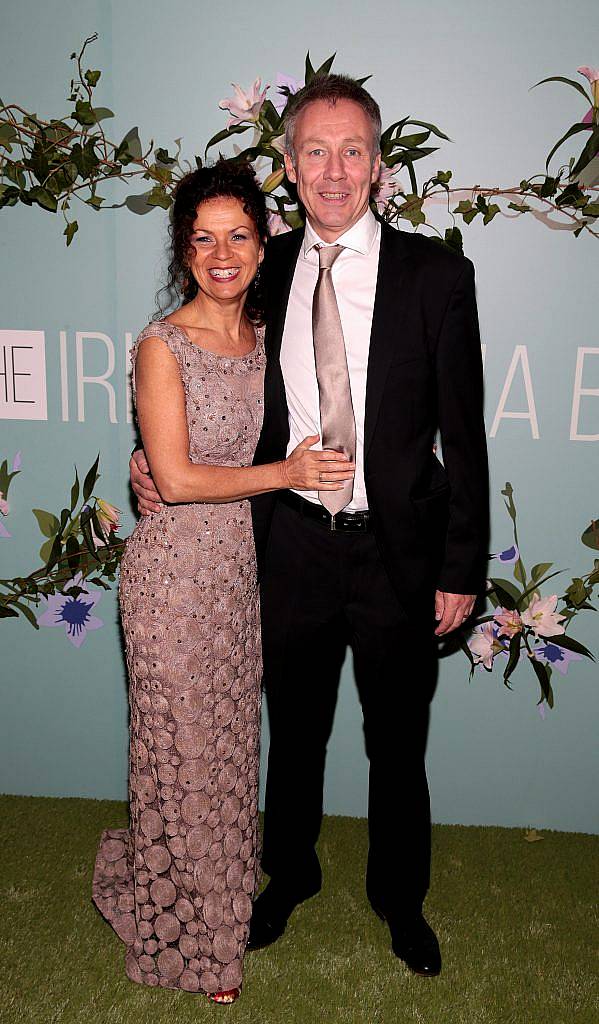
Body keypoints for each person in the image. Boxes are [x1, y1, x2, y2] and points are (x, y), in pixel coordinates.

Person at [131, 75, 489, 979]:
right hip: (286, 543)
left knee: (396, 743)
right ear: (289, 168)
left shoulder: (438, 274)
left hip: (399, 554)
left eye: (353, 150)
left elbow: (463, 432)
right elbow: (213, 385)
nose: (334, 170)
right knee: (292, 733)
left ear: (378, 165)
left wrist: (461, 567)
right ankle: (285, 877)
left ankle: (399, 902)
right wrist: (158, 468)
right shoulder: (266, 264)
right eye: (315, 152)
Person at [92, 159, 354, 1005]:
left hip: (240, 582)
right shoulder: (160, 345)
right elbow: (172, 477)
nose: (221, 253)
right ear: (183, 249)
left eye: (237, 235)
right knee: (183, 760)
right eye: (202, 238)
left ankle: (210, 896)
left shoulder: (272, 340)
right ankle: (206, 949)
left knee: (228, 756)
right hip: (171, 587)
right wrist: (284, 473)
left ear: (262, 241)